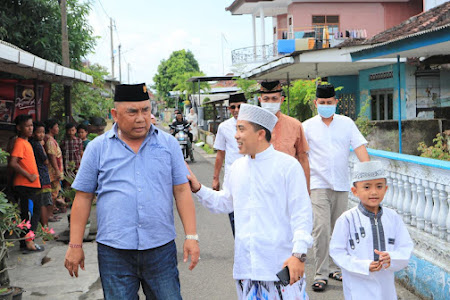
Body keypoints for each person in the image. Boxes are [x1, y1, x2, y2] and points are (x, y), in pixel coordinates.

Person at [64, 83, 200, 299]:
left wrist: (191, 236)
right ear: (115, 114)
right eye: (132, 112)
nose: (141, 118)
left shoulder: (168, 145)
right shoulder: (97, 148)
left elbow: (182, 191)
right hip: (114, 251)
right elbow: (83, 197)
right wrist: (75, 244)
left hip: (160, 248)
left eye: (146, 110)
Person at [187, 104, 313, 300]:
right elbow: (226, 202)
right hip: (246, 270)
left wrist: (298, 255)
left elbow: (302, 214)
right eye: (236, 128)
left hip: (280, 267)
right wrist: (198, 189)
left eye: (241, 129)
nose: (235, 135)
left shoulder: (288, 166)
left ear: (261, 134)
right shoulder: (237, 167)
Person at [302, 84, 370, 291]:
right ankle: (320, 273)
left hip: (342, 184)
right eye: (321, 103)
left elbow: (360, 148)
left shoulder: (346, 124)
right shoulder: (306, 127)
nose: (325, 106)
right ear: (316, 104)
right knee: (321, 229)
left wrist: (369, 178)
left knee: (340, 230)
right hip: (317, 184)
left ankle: (334, 267)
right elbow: (302, 156)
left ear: (336, 103)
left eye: (329, 103)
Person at [330, 161, 413, 299]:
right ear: (355, 191)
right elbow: (337, 252)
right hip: (358, 286)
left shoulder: (392, 217)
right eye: (367, 187)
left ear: (385, 189)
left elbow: (405, 247)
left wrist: (391, 258)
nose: (374, 192)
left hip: (385, 285)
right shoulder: (347, 219)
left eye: (379, 186)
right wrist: (363, 266)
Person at [258, 80, 310, 192]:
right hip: (262, 186)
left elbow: (302, 157)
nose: (270, 102)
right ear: (260, 100)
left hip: (289, 185)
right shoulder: (253, 126)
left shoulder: (295, 125)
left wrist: (306, 188)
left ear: (281, 100)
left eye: (274, 99)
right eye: (266, 99)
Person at [212, 92, 246, 236]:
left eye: (240, 106)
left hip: (253, 176)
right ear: (229, 109)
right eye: (233, 107)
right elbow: (220, 154)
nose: (236, 110)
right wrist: (215, 178)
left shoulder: (255, 125)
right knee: (233, 216)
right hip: (232, 179)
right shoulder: (224, 127)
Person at [9, 114, 44, 252]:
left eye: (31, 126)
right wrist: (28, 175)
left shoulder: (26, 142)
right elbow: (12, 163)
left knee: (33, 213)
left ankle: (27, 242)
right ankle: (28, 243)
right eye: (27, 126)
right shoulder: (19, 142)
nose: (31, 128)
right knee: (28, 214)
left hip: (31, 185)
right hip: (25, 185)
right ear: (19, 128)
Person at [30, 121, 53, 229]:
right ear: (34, 133)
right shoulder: (37, 145)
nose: (42, 135)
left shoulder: (31, 143)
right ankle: (45, 229)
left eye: (43, 132)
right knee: (43, 203)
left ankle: (44, 228)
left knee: (41, 202)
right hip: (42, 176)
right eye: (39, 132)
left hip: (37, 176)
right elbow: (45, 161)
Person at [44, 119, 64, 222]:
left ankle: (51, 214)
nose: (58, 129)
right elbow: (52, 156)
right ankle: (49, 215)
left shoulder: (50, 139)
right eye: (56, 126)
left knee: (53, 194)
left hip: (53, 172)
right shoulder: (50, 141)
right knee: (53, 194)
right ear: (51, 128)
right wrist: (57, 170)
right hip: (52, 173)